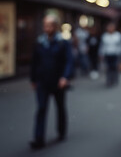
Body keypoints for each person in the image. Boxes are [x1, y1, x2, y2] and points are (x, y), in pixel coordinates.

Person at [30, 15, 74, 150]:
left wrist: (65, 77)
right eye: (45, 25)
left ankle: (61, 132)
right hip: (43, 81)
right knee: (41, 108)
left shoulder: (62, 42)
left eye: (49, 25)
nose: (46, 28)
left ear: (55, 26)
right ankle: (39, 138)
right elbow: (34, 62)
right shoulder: (40, 42)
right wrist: (33, 79)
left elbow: (69, 61)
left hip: (58, 81)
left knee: (60, 107)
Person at [99, 22, 121, 87]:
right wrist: (101, 53)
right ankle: (109, 80)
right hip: (107, 54)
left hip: (116, 54)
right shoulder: (104, 36)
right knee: (108, 68)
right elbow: (102, 46)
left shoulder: (118, 35)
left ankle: (114, 79)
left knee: (115, 67)